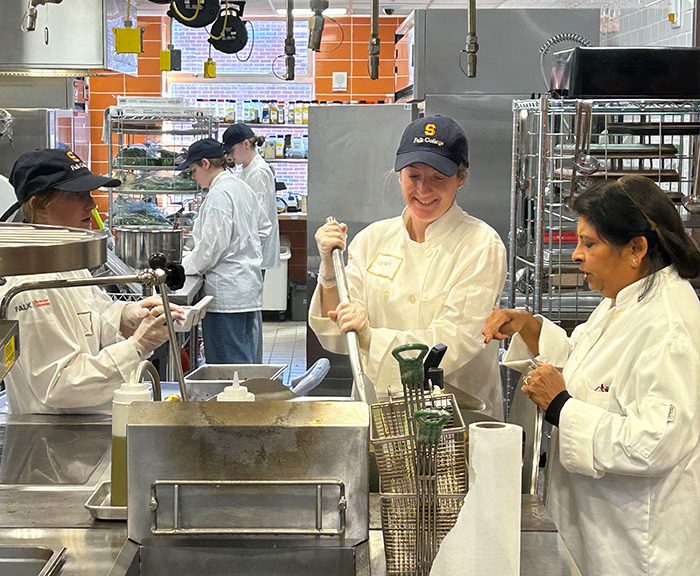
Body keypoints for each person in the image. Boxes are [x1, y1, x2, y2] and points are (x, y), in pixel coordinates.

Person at [482, 175, 700, 575]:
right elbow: (592, 371)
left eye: (590, 243)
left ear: (636, 249)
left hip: (636, 550)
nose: (577, 255)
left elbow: (654, 443)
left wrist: (561, 406)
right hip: (596, 534)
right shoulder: (625, 299)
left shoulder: (668, 325)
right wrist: (530, 329)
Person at [309, 115, 507, 417]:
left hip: (454, 414)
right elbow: (337, 334)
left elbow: (455, 340)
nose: (424, 190)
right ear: (399, 173)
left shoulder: (481, 245)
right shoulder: (372, 240)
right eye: (414, 176)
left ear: (461, 178)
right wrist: (328, 271)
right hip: (382, 410)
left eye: (439, 178)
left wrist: (371, 338)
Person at [2, 149, 181, 414]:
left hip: (82, 430)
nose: (92, 205)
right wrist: (137, 347)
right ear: (40, 204)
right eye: (77, 196)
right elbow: (60, 388)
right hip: (54, 441)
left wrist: (129, 315)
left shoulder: (65, 261)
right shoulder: (29, 287)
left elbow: (94, 318)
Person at [178, 138, 272, 364]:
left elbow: (211, 249)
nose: (193, 177)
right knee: (243, 362)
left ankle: (235, 402)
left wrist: (184, 267)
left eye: (193, 170)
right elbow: (263, 227)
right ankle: (246, 401)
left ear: (205, 164)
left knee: (229, 371)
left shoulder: (220, 194)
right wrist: (241, 250)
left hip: (227, 295)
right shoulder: (240, 186)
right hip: (245, 287)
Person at [222, 123, 281, 363]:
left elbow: (260, 220)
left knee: (252, 316)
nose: (230, 156)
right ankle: (252, 364)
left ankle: (254, 366)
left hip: (255, 254)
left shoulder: (257, 172)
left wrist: (247, 251)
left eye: (232, 150)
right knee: (251, 315)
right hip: (252, 253)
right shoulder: (247, 169)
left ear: (247, 144)